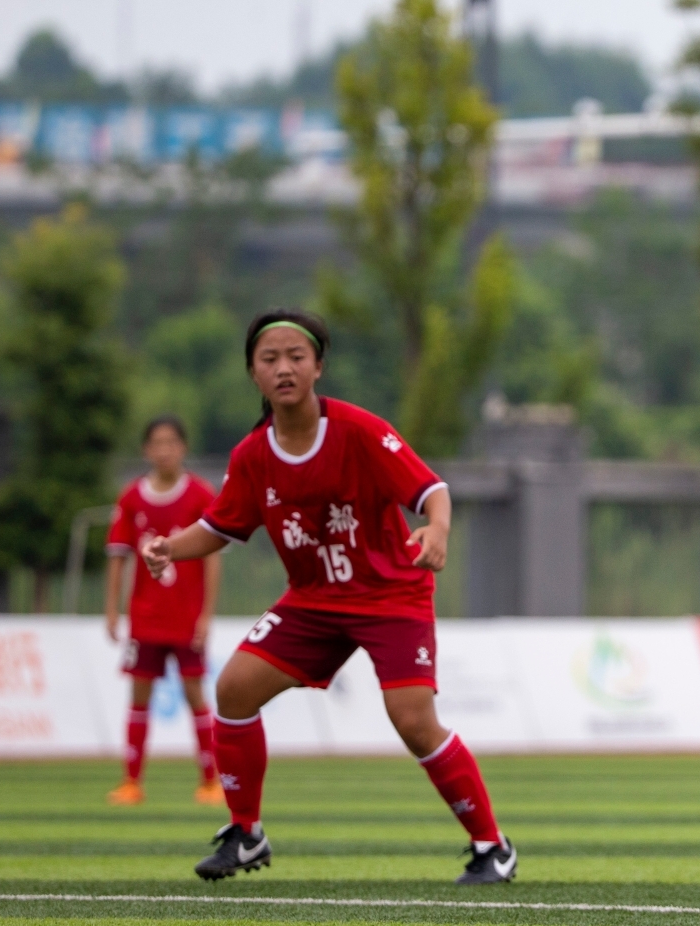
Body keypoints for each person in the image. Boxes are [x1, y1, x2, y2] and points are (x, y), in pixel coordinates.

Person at [140, 308, 517, 885]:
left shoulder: (360, 430)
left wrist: (436, 529)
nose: (284, 368)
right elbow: (221, 527)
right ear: (253, 374)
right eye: (270, 359)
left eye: (296, 356)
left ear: (318, 367)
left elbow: (431, 489)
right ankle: (246, 834)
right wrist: (171, 547)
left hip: (391, 594)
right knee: (234, 688)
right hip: (313, 601)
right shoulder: (252, 455)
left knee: (413, 720)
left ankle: (492, 846)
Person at [104, 416, 222, 806]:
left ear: (183, 448)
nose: (165, 449)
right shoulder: (132, 498)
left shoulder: (200, 494)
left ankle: (210, 780)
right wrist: (113, 611)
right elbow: (118, 556)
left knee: (194, 693)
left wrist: (206, 615)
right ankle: (132, 781)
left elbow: (212, 557)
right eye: (157, 442)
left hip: (186, 617)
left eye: (172, 442)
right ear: (146, 450)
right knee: (139, 695)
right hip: (146, 617)